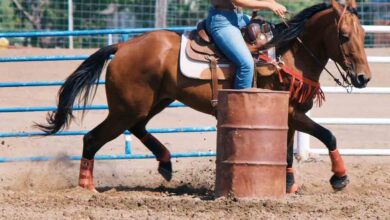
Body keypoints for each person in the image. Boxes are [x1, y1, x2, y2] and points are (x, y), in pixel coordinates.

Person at [206, 0, 287, 89]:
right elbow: (238, 1)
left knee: (270, 29)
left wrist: (273, 3)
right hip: (222, 22)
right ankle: (241, 101)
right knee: (246, 65)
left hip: (238, 17)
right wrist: (269, 5)